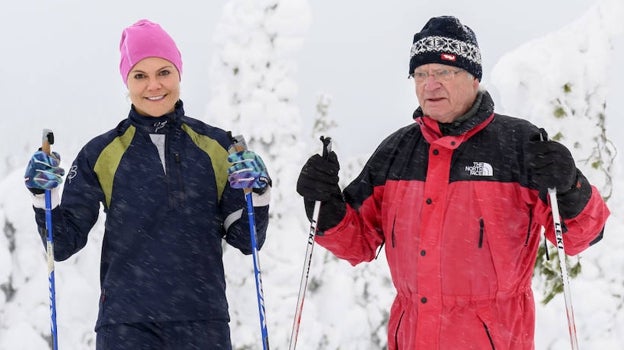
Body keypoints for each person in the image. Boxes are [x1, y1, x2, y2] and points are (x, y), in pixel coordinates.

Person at [296, 15, 610, 349]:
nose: (429, 85)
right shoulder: (395, 152)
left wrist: (569, 186)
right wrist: (324, 203)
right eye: (420, 74)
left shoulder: (518, 144)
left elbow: (579, 236)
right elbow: (357, 241)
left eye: (443, 72)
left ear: (474, 77)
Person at [23, 19, 271, 350]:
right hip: (126, 325)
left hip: (203, 322)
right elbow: (63, 243)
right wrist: (44, 196)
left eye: (164, 72)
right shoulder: (101, 153)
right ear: (127, 82)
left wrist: (258, 192)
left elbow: (246, 237)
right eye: (140, 76)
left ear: (179, 74)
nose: (154, 85)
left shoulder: (216, 146)